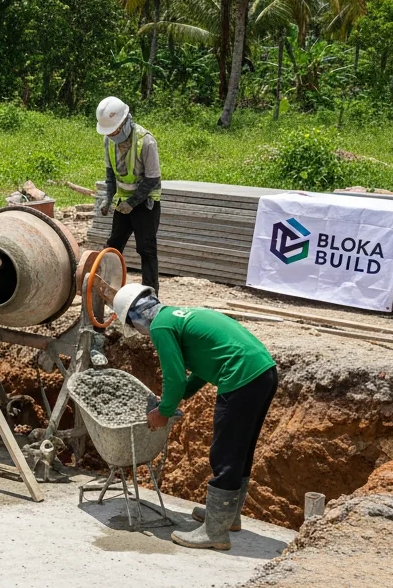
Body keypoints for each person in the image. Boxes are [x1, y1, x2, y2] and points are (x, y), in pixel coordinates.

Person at [113, 283, 278, 550]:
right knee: (240, 451)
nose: (140, 333)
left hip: (241, 377)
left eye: (133, 326)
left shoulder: (160, 327)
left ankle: (215, 532)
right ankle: (227, 518)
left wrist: (163, 412)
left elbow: (174, 377)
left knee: (225, 453)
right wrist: (181, 395)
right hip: (263, 372)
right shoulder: (179, 315)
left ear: (135, 317)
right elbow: (203, 365)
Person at [96, 96, 163, 293]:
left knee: (146, 248)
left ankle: (151, 295)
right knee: (114, 245)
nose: (113, 135)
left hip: (146, 202)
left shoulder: (146, 141)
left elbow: (152, 179)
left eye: (115, 130)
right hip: (124, 200)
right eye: (110, 132)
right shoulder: (108, 141)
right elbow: (110, 175)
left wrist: (133, 203)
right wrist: (108, 198)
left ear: (126, 122)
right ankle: (106, 286)